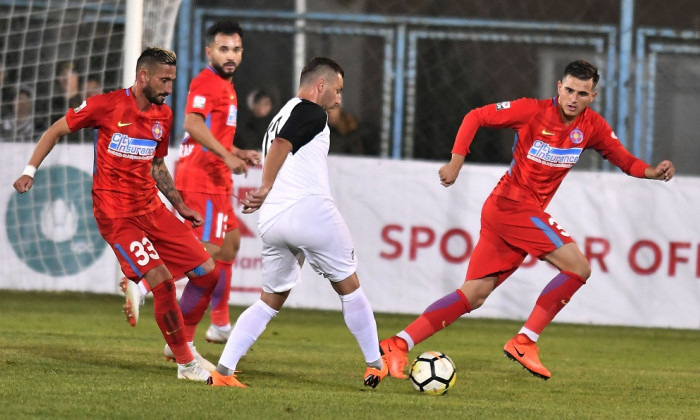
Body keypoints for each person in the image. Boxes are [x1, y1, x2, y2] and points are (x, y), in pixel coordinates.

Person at [379, 60, 675, 381]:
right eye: (569, 90)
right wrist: (456, 162)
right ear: (559, 88)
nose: (574, 98)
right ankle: (525, 341)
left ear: (593, 96)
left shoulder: (592, 127)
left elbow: (624, 159)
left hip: (509, 212)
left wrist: (652, 172)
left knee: (474, 295)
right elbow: (475, 116)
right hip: (511, 206)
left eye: (582, 93)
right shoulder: (531, 111)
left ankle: (398, 343)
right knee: (579, 267)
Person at [13, 47, 224, 382]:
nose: (170, 88)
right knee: (164, 283)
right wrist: (30, 170)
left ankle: (178, 341)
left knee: (208, 273)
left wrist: (180, 204)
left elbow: (156, 164)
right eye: (164, 80)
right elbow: (56, 130)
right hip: (116, 214)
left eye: (172, 80)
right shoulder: (106, 105)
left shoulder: (163, 116)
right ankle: (186, 364)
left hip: (152, 208)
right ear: (143, 76)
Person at [208, 57, 387, 388]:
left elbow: (279, 144)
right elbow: (281, 146)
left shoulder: (282, 113)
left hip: (274, 220)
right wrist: (264, 185)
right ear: (321, 86)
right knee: (350, 289)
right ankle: (376, 365)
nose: (339, 99)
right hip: (309, 212)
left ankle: (223, 372)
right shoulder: (312, 111)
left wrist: (268, 191)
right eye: (337, 90)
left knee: (269, 300)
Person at [121, 22, 260, 349]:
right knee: (204, 256)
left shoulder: (227, 86)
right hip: (202, 178)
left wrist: (236, 152)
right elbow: (191, 123)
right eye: (223, 49)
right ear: (209, 51)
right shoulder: (206, 82)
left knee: (229, 244)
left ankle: (221, 324)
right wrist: (227, 155)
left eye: (236, 49)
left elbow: (208, 133)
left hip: (216, 176)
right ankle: (143, 288)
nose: (230, 55)